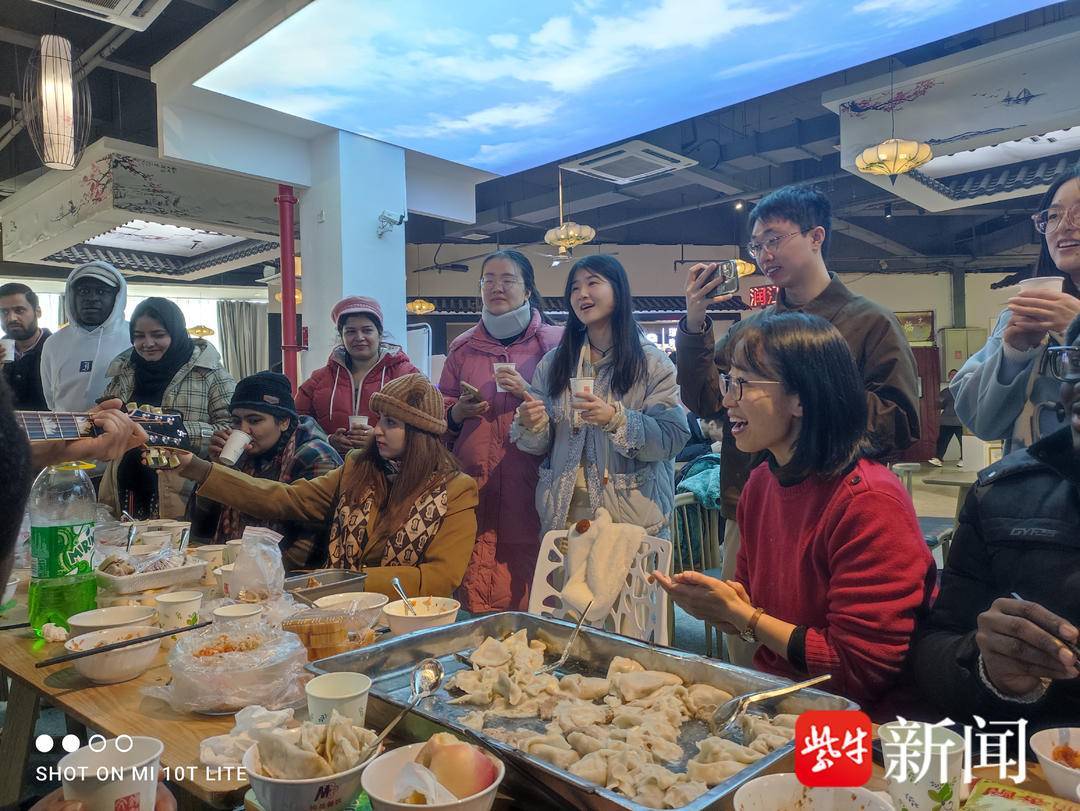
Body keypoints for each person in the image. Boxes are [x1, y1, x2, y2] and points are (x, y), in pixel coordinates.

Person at [675, 184, 920, 665]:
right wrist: (696, 321)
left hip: (833, 505)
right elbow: (707, 400)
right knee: (747, 650)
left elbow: (902, 422)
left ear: (816, 236)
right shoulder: (754, 328)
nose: (765, 254)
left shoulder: (869, 322)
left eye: (774, 239)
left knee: (829, 651)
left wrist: (811, 398)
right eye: (756, 246)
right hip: (751, 500)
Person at [655, 312, 936, 712]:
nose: (728, 400)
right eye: (728, 381)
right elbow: (753, 609)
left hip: (863, 724)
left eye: (744, 383)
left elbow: (858, 671)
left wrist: (745, 617)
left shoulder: (869, 501)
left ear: (801, 397)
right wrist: (721, 608)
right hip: (783, 702)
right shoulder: (760, 484)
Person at [911, 313, 1080, 725]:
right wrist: (991, 670)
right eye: (1076, 360)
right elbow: (934, 651)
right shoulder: (1002, 495)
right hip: (1034, 758)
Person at [174, 374, 478, 599]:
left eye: (391, 423)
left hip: (408, 617)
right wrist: (197, 467)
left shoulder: (455, 490)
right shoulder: (359, 467)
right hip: (336, 606)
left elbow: (439, 578)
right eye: (380, 419)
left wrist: (345, 580)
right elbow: (286, 499)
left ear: (420, 433)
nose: (377, 430)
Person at [512, 255, 689, 537]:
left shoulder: (652, 363)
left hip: (630, 525)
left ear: (618, 290)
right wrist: (532, 424)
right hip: (564, 520)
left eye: (592, 283)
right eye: (574, 288)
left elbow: (672, 437)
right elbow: (538, 445)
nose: (581, 294)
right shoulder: (554, 363)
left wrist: (616, 420)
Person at [439, 250, 562, 612]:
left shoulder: (554, 344)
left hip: (533, 482)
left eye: (508, 280)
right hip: (474, 483)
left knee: (529, 581)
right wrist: (456, 413)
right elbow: (440, 413)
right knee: (473, 573)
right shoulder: (462, 349)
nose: (497, 287)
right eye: (488, 280)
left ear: (528, 290)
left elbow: (569, 414)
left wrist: (527, 391)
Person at [952, 167, 1080, 453]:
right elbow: (982, 423)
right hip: (1034, 479)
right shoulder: (1023, 316)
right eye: (1054, 215)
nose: (1064, 225)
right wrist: (1013, 355)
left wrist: (1076, 327)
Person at [99, 297, 235, 519]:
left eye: (158, 335)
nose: (148, 343)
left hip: (184, 494)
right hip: (125, 486)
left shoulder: (210, 373)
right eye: (139, 336)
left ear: (176, 332)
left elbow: (232, 430)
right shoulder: (125, 371)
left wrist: (173, 431)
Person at [202, 371, 342, 570]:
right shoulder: (242, 455)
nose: (243, 430)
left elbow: (311, 547)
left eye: (254, 420)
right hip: (238, 569)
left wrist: (255, 574)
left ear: (284, 422)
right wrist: (218, 469)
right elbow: (202, 527)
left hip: (287, 575)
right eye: (236, 421)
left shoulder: (315, 456)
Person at [297, 296, 422, 456]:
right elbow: (296, 425)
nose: (359, 337)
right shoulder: (318, 380)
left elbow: (424, 427)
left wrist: (379, 437)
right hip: (333, 467)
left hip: (390, 467)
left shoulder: (406, 375)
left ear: (379, 333)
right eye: (350, 331)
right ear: (341, 336)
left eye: (367, 330)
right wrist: (328, 440)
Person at [39, 261, 131, 412]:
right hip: (65, 426)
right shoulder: (53, 343)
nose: (92, 298)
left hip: (119, 426)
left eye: (101, 291)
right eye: (83, 291)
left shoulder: (133, 339)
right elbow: (51, 399)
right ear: (72, 296)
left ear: (117, 297)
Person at [0, 282, 51, 410]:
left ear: (37, 312)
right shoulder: (2, 351)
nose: (11, 318)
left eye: (19, 310)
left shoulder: (58, 349)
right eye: (4, 312)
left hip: (50, 422)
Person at [928, 369, 963, 467]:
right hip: (946, 420)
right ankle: (938, 458)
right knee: (942, 441)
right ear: (949, 377)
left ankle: (964, 459)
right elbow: (939, 405)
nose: (953, 377)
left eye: (955, 375)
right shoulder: (945, 391)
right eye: (951, 375)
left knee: (963, 442)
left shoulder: (964, 389)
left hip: (961, 421)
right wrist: (941, 401)